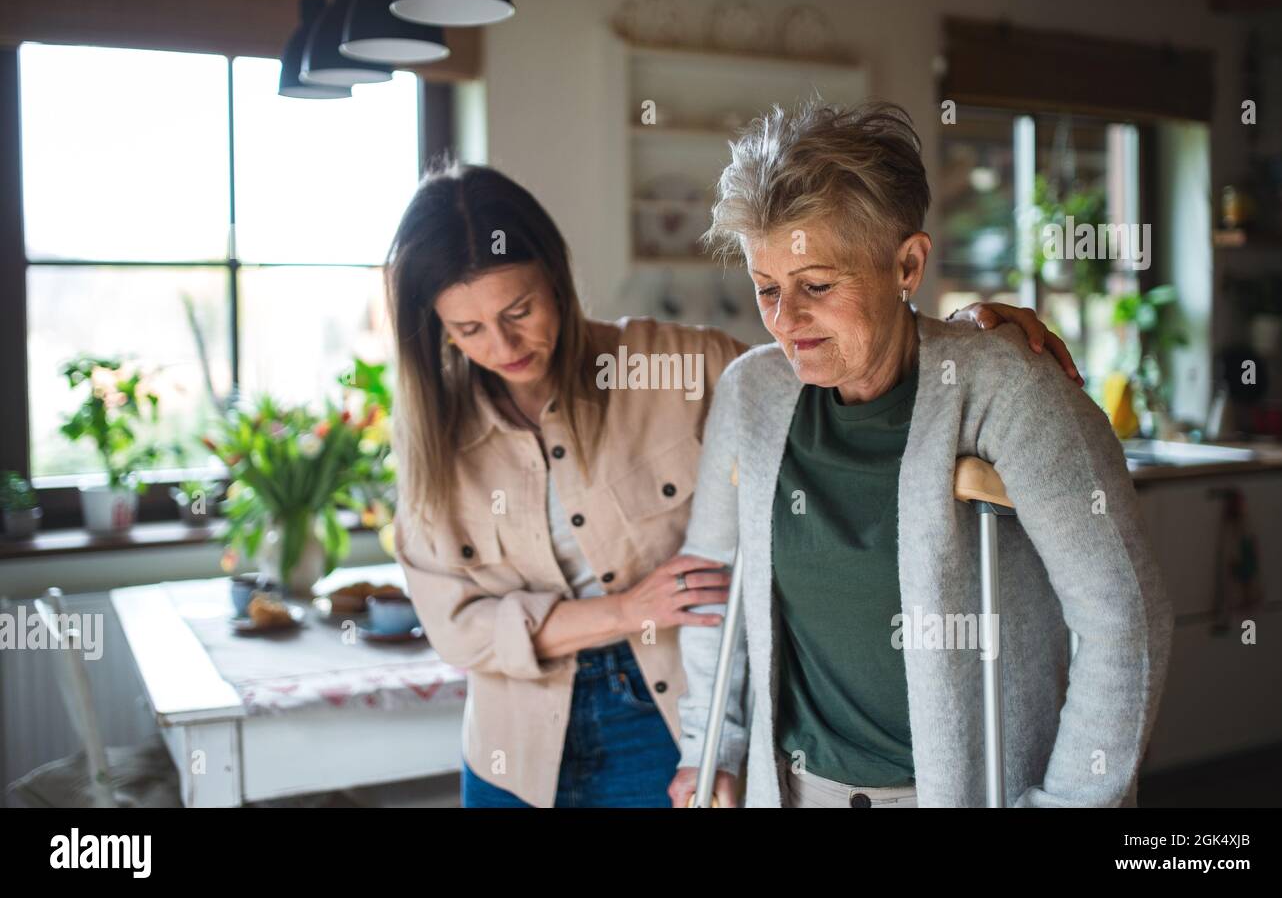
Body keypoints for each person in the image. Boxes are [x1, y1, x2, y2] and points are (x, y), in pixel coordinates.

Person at [385, 158, 1080, 808]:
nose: (503, 347)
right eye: (468, 329)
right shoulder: (431, 440)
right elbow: (455, 627)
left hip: (663, 721)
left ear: (557, 279)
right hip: (515, 744)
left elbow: (827, 357)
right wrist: (627, 609)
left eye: (519, 311)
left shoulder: (681, 365)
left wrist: (953, 334)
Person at [669, 101, 1173, 808]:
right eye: (766, 289)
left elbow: (1123, 612)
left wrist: (1074, 802)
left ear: (907, 263)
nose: (786, 320)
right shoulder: (751, 392)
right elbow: (711, 592)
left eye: (816, 285)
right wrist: (710, 748)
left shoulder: (1006, 387)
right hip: (788, 789)